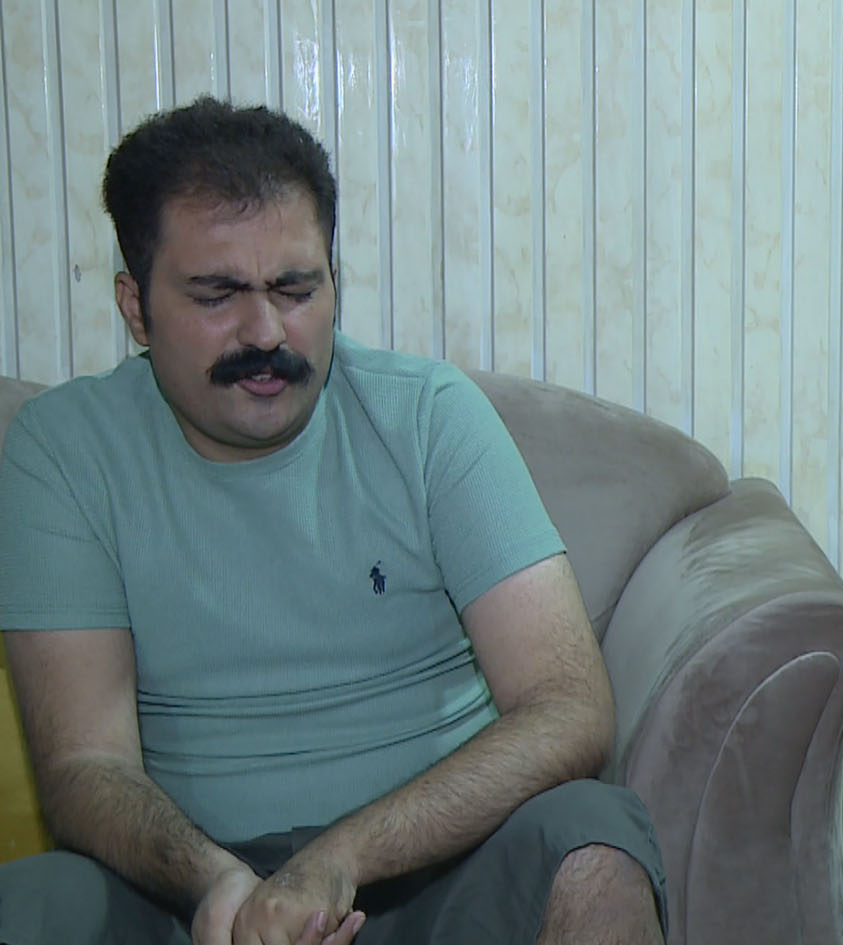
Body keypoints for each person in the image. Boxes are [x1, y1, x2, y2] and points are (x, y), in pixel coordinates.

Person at [0, 96, 667, 945]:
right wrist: (223, 887)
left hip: (434, 870)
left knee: (592, 843)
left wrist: (337, 859)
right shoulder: (62, 451)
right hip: (188, 890)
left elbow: (568, 707)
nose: (266, 330)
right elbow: (83, 765)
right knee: (33, 903)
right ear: (136, 308)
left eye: (295, 287)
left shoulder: (428, 418)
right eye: (217, 295)